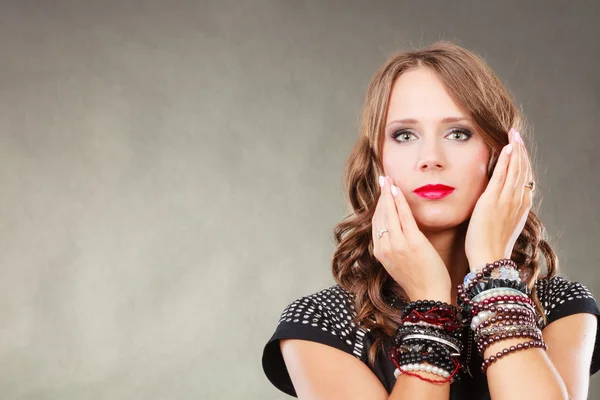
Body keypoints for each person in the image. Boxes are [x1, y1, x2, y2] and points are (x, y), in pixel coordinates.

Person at [261, 41, 600, 399]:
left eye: (458, 133)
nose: (431, 158)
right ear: (378, 160)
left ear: (499, 155)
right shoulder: (322, 322)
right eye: (405, 135)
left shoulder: (559, 306)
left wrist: (490, 267)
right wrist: (430, 302)